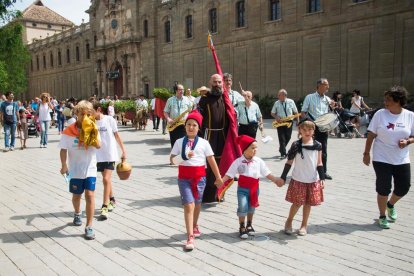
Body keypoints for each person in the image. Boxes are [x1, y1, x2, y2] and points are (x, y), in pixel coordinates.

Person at [169, 110, 223, 250]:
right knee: (189, 205)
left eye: (194, 125)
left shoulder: (204, 143)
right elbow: (172, 160)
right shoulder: (179, 142)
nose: (191, 127)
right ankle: (190, 236)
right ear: (185, 126)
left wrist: (218, 177)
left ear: (198, 128)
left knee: (197, 204)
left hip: (200, 178)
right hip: (184, 178)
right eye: (188, 124)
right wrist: (184, 157)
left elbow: (211, 160)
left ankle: (194, 225)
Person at [363, 86, 414, 229]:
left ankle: (390, 204)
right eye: (385, 99)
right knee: (383, 188)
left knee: (404, 187)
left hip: (401, 158)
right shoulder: (380, 114)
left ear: (399, 101)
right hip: (381, 157)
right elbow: (371, 134)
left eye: (389, 100)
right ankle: (382, 215)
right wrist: (366, 153)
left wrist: (408, 141)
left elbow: (413, 135)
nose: (385, 102)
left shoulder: (409, 115)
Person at [221, 135, 283, 239]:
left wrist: (275, 180)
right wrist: (221, 181)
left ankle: (249, 224)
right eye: (252, 148)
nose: (255, 150)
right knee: (243, 206)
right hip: (242, 189)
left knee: (251, 207)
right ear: (244, 149)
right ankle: (241, 226)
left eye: (256, 148)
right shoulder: (238, 162)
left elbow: (266, 173)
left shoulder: (258, 161)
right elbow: (230, 173)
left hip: (254, 189)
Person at [59, 100, 101, 240]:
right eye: (82, 114)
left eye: (88, 114)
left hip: (90, 168)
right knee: (77, 196)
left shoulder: (93, 127)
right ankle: (77, 213)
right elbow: (63, 150)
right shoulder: (68, 131)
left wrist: (91, 134)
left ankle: (89, 226)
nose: (85, 117)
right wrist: (64, 165)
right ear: (76, 114)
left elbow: (99, 145)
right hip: (75, 169)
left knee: (90, 195)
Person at [280, 119, 325, 236]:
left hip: (312, 179)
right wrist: (283, 177)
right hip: (298, 179)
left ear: (314, 131)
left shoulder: (318, 145)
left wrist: (322, 178)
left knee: (308, 204)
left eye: (310, 129)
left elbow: (319, 162)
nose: (307, 132)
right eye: (304, 129)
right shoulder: (296, 145)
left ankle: (304, 225)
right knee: (296, 203)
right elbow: (289, 162)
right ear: (299, 130)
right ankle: (289, 220)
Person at [92, 101, 127, 220]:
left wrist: (123, 151)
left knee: (106, 179)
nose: (90, 114)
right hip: (98, 155)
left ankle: (104, 206)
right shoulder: (90, 122)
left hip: (110, 154)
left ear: (99, 109)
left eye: (91, 112)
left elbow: (117, 135)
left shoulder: (109, 119)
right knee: (106, 179)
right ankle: (112, 199)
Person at [198, 74, 229, 203]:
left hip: (222, 135)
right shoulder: (204, 99)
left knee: (221, 163)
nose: (217, 84)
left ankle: (219, 192)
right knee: (209, 165)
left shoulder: (225, 98)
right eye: (215, 82)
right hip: (208, 135)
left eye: (219, 82)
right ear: (210, 83)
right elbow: (198, 117)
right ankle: (206, 194)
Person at [301, 78, 335, 180]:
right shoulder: (309, 97)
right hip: (312, 128)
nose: (327, 87)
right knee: (311, 149)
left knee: (323, 150)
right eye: (325, 84)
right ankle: (310, 171)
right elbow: (303, 112)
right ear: (319, 86)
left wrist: (334, 106)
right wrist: (311, 123)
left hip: (323, 128)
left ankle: (323, 172)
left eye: (327, 85)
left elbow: (331, 113)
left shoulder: (327, 99)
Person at [271, 89, 299, 159]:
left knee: (288, 137)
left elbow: (296, 112)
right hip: (280, 122)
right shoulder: (276, 103)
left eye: (279, 95)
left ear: (284, 95)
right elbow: (272, 113)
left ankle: (281, 148)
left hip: (289, 121)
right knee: (281, 138)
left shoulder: (291, 102)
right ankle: (283, 153)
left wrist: (298, 121)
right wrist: (276, 117)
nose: (278, 96)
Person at [164, 84, 192, 148]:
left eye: (183, 89)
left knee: (184, 143)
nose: (182, 91)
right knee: (174, 144)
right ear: (176, 90)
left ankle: (183, 156)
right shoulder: (170, 100)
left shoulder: (187, 99)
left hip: (184, 125)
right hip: (173, 124)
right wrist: (168, 119)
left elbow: (191, 111)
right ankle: (175, 156)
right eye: (180, 89)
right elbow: (165, 111)